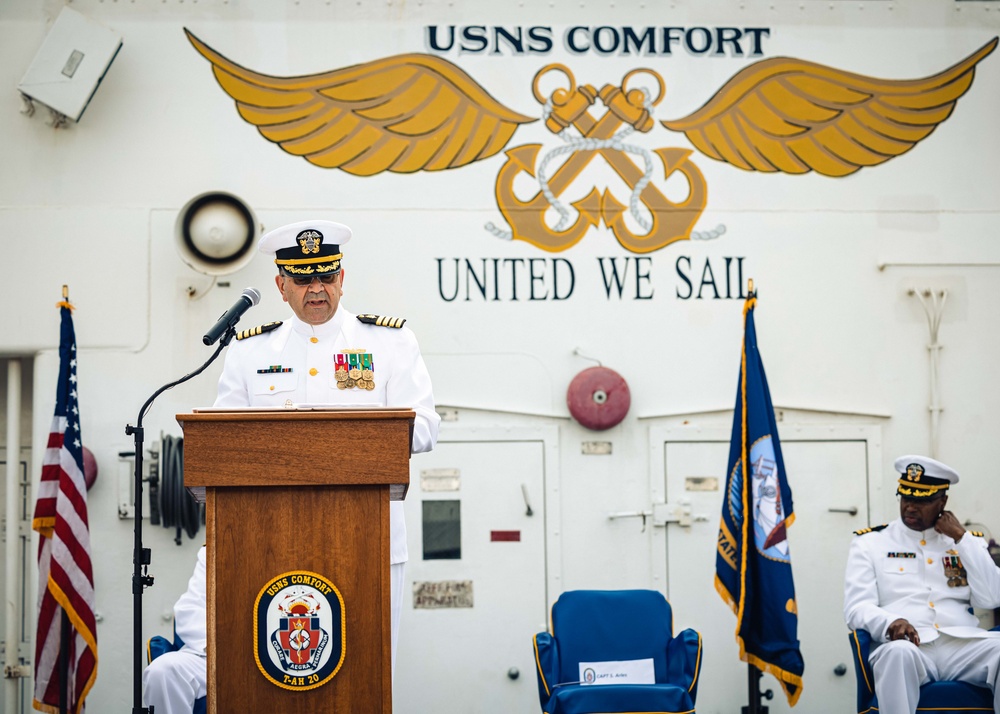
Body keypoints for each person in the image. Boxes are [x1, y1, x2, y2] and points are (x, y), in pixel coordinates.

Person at [143, 219, 439, 713]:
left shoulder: (389, 342)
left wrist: (342, 443)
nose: (316, 289)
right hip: (264, 542)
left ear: (342, 278)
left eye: (326, 276)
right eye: (303, 279)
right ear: (282, 286)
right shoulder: (249, 349)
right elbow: (223, 444)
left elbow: (426, 427)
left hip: (369, 539)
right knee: (270, 675)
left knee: (365, 677)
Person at [844, 454, 1000, 714]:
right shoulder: (871, 543)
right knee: (897, 655)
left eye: (922, 500)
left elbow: (992, 598)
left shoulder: (964, 542)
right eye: (906, 497)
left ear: (943, 501)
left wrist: (962, 538)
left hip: (960, 644)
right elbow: (856, 607)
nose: (910, 507)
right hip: (908, 646)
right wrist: (890, 622)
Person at [142, 546, 207, 712]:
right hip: (217, 655)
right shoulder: (216, 550)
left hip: (279, 655)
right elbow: (190, 610)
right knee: (163, 671)